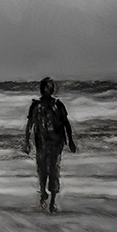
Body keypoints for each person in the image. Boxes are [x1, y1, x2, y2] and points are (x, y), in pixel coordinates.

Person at [24, 77, 77, 213]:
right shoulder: (36, 105)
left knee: (54, 170)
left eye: (51, 87)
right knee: (42, 170)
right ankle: (42, 193)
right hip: (41, 143)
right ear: (42, 89)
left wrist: (70, 140)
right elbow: (29, 125)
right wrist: (26, 142)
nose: (49, 89)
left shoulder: (58, 105)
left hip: (56, 143)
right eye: (47, 87)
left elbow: (66, 123)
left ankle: (53, 200)